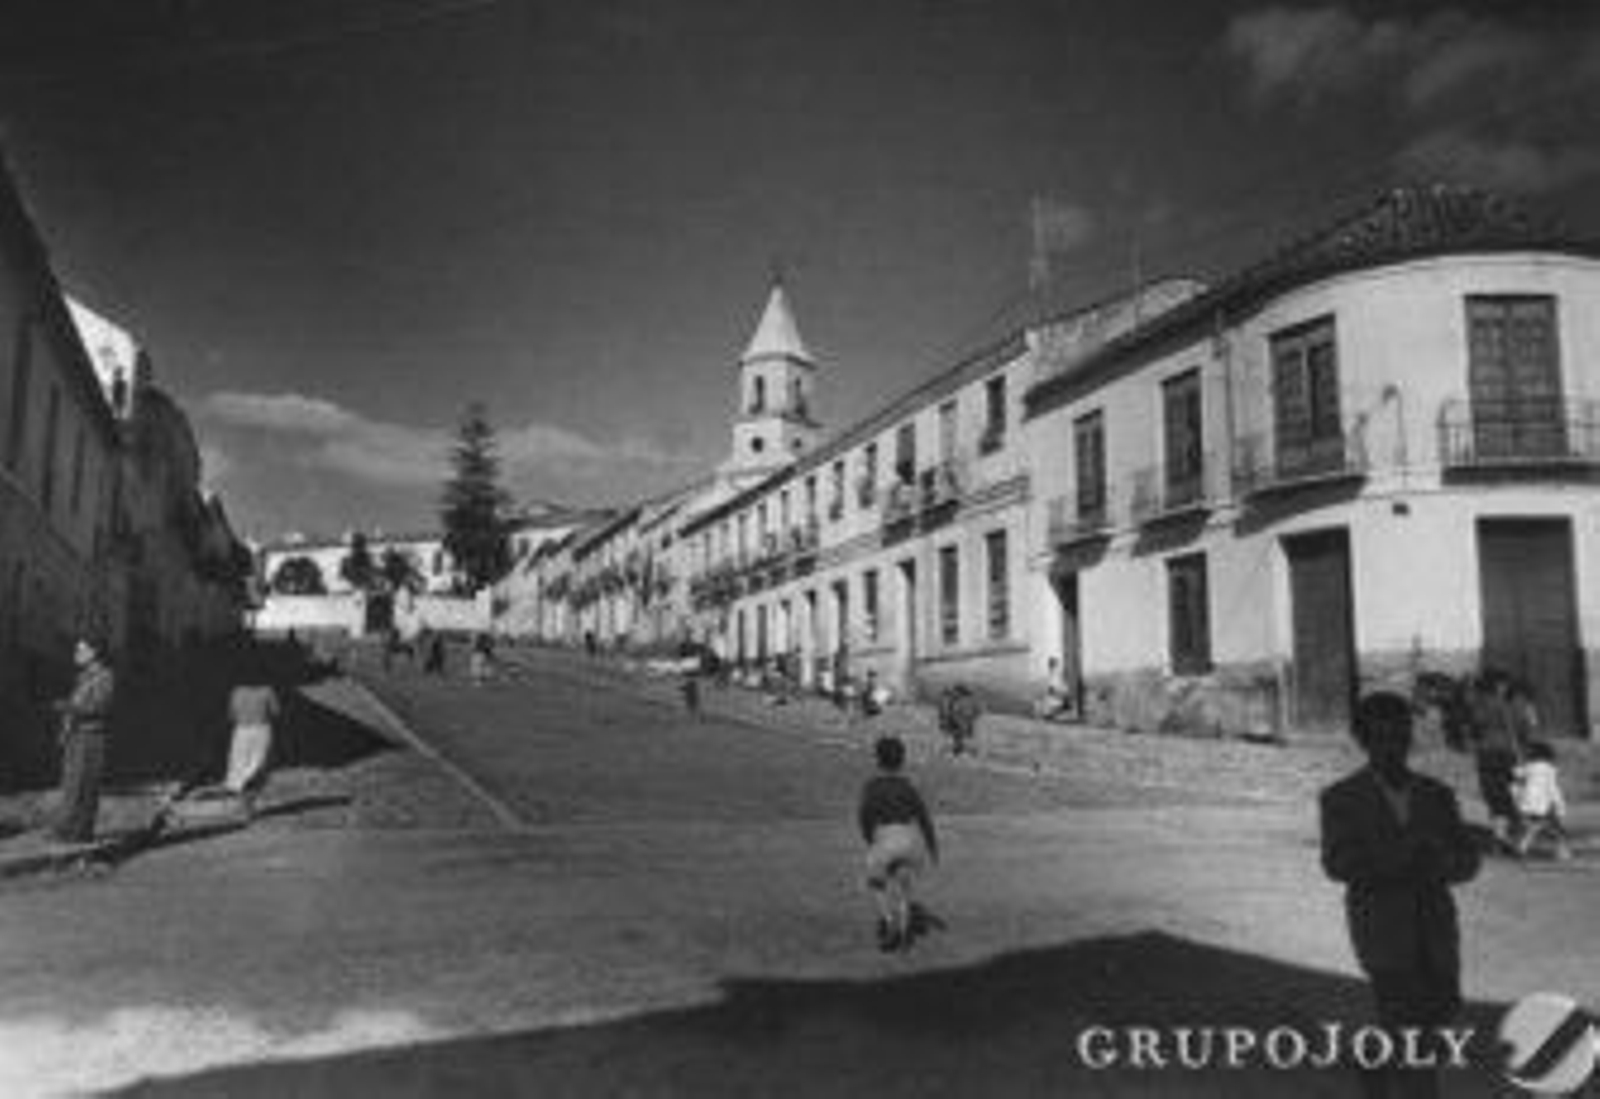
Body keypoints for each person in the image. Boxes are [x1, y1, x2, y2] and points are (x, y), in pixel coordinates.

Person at [1320, 692, 1480, 1098]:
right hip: (1382, 928)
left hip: (1436, 927)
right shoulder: (1341, 798)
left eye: (1401, 737)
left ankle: (1372, 1056)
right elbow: (1337, 863)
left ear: (1410, 739)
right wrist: (1398, 860)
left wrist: (1441, 860)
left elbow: (1467, 861)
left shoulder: (1436, 794)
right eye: (1382, 739)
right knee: (1413, 1033)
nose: (1393, 748)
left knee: (1441, 1007)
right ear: (1364, 742)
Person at [858, 735, 939, 953]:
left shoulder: (872, 786)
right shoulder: (907, 786)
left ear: (877, 759)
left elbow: (865, 815)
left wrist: (869, 838)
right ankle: (904, 936)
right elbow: (923, 817)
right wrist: (932, 848)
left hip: (885, 836)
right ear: (902, 760)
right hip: (909, 838)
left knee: (876, 883)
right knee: (905, 891)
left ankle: (887, 919)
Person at [51, 638, 116, 843]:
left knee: (85, 785)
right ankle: (66, 829)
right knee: (71, 784)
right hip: (76, 736)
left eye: (81, 650)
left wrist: (69, 707)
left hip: (90, 737)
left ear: (94, 652)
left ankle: (80, 833)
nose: (76, 654)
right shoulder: (83, 677)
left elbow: (99, 707)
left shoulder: (104, 676)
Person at [1467, 670, 1525, 847]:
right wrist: (1519, 756)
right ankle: (1509, 833)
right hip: (1503, 753)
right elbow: (1511, 732)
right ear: (1497, 686)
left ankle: (1498, 835)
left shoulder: (1478, 705)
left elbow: (1474, 731)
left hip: (1484, 754)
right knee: (1508, 793)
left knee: (1492, 793)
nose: (1505, 687)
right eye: (1503, 684)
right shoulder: (1502, 705)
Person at [225, 667, 281, 815]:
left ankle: (244, 805)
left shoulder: (237, 692)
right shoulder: (267, 690)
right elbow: (276, 712)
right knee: (257, 767)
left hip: (242, 731)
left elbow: (231, 714)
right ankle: (249, 805)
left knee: (241, 768)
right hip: (261, 730)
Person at [1513, 741, 1572, 861]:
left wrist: (1517, 767)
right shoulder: (1550, 770)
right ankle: (1563, 853)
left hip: (1527, 805)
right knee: (1556, 830)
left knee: (1534, 827)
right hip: (1542, 806)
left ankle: (1522, 848)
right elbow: (1553, 789)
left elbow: (1517, 774)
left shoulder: (1528, 768)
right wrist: (1560, 805)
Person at [938, 684, 982, 756]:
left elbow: (944, 714)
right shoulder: (961, 731)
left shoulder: (949, 729)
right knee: (962, 728)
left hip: (957, 714)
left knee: (953, 725)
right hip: (958, 713)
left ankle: (956, 693)